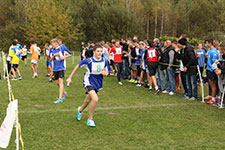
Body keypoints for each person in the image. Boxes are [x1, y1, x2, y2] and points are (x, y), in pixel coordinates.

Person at [66, 45, 111, 127]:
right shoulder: (89, 61)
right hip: (89, 81)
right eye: (98, 51)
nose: (99, 53)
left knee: (87, 100)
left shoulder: (105, 61)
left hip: (98, 82)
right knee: (95, 98)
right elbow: (78, 65)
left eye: (101, 51)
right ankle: (90, 119)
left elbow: (108, 71)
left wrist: (106, 73)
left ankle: (80, 111)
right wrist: (70, 77)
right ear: (94, 52)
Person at [49, 39, 70, 104]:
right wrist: (54, 55)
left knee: (61, 82)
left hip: (61, 67)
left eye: (52, 44)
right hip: (55, 68)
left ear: (56, 43)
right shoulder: (51, 50)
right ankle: (64, 93)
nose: (51, 45)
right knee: (58, 83)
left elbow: (70, 54)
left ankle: (60, 98)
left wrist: (64, 57)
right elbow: (50, 59)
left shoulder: (62, 47)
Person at [205, 39, 219, 104]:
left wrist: (213, 69)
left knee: (213, 84)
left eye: (207, 43)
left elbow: (215, 62)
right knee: (210, 84)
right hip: (208, 69)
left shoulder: (214, 51)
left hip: (212, 70)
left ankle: (214, 99)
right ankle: (214, 97)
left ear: (210, 43)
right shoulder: (209, 50)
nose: (206, 44)